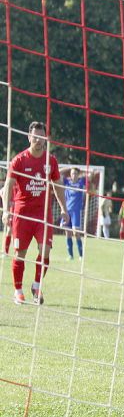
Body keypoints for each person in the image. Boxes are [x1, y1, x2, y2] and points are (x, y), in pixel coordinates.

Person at [0, 121, 68, 305]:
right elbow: (8, 186)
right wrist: (6, 211)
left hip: (43, 214)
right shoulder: (19, 160)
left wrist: (64, 209)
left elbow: (58, 186)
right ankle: (18, 290)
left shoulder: (51, 161)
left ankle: (37, 286)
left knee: (45, 251)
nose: (39, 140)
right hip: (22, 214)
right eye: (35, 137)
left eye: (42, 137)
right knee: (20, 253)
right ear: (29, 137)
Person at [62, 167, 92, 259]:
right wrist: (67, 168)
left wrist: (83, 171)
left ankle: (81, 255)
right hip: (67, 210)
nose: (73, 175)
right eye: (72, 173)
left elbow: (91, 174)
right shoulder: (67, 182)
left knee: (76, 233)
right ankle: (70, 255)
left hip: (76, 211)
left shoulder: (81, 182)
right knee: (68, 232)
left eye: (75, 173)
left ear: (78, 175)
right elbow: (58, 173)